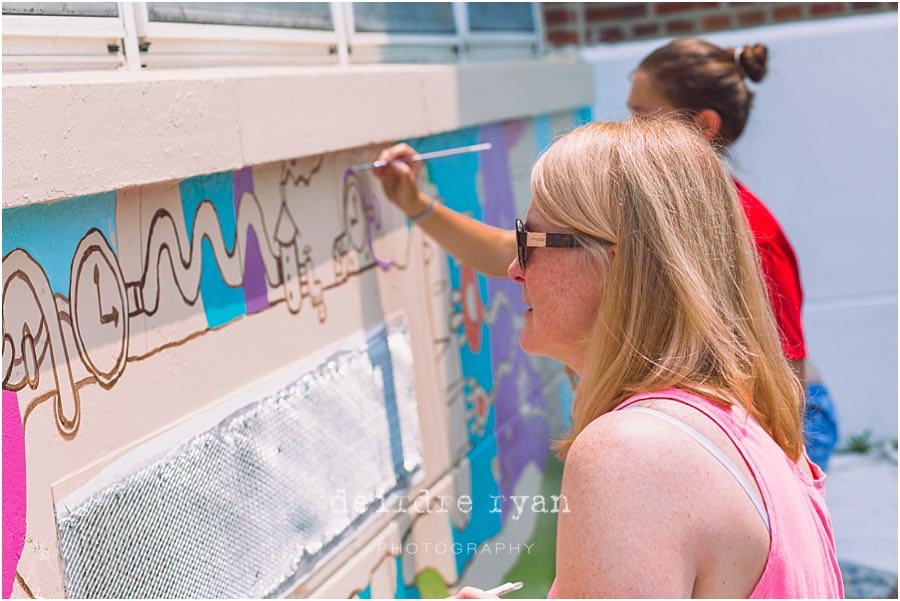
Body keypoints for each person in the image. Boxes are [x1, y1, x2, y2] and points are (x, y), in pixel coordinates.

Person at [374, 37, 839, 471]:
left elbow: (783, 374)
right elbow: (512, 254)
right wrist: (416, 204)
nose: (630, 126)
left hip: (785, 421)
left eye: (643, 114)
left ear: (703, 126)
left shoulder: (750, 233)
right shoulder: (642, 210)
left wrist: (782, 476)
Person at [440, 117, 842, 596]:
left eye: (529, 241)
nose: (513, 268)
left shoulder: (633, 454)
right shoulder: (739, 422)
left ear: (617, 263)